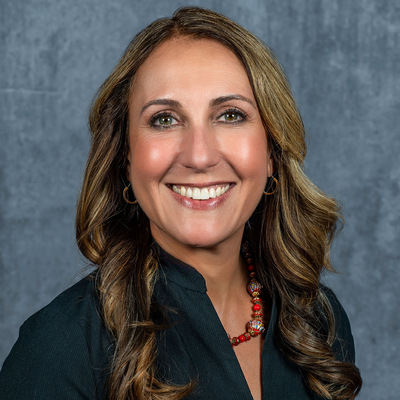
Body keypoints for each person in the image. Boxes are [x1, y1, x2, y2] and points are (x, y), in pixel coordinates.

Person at [0, 6, 362, 400]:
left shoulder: (319, 322)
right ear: (126, 158)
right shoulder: (60, 348)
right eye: (164, 120)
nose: (199, 156)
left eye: (230, 115)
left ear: (272, 151)